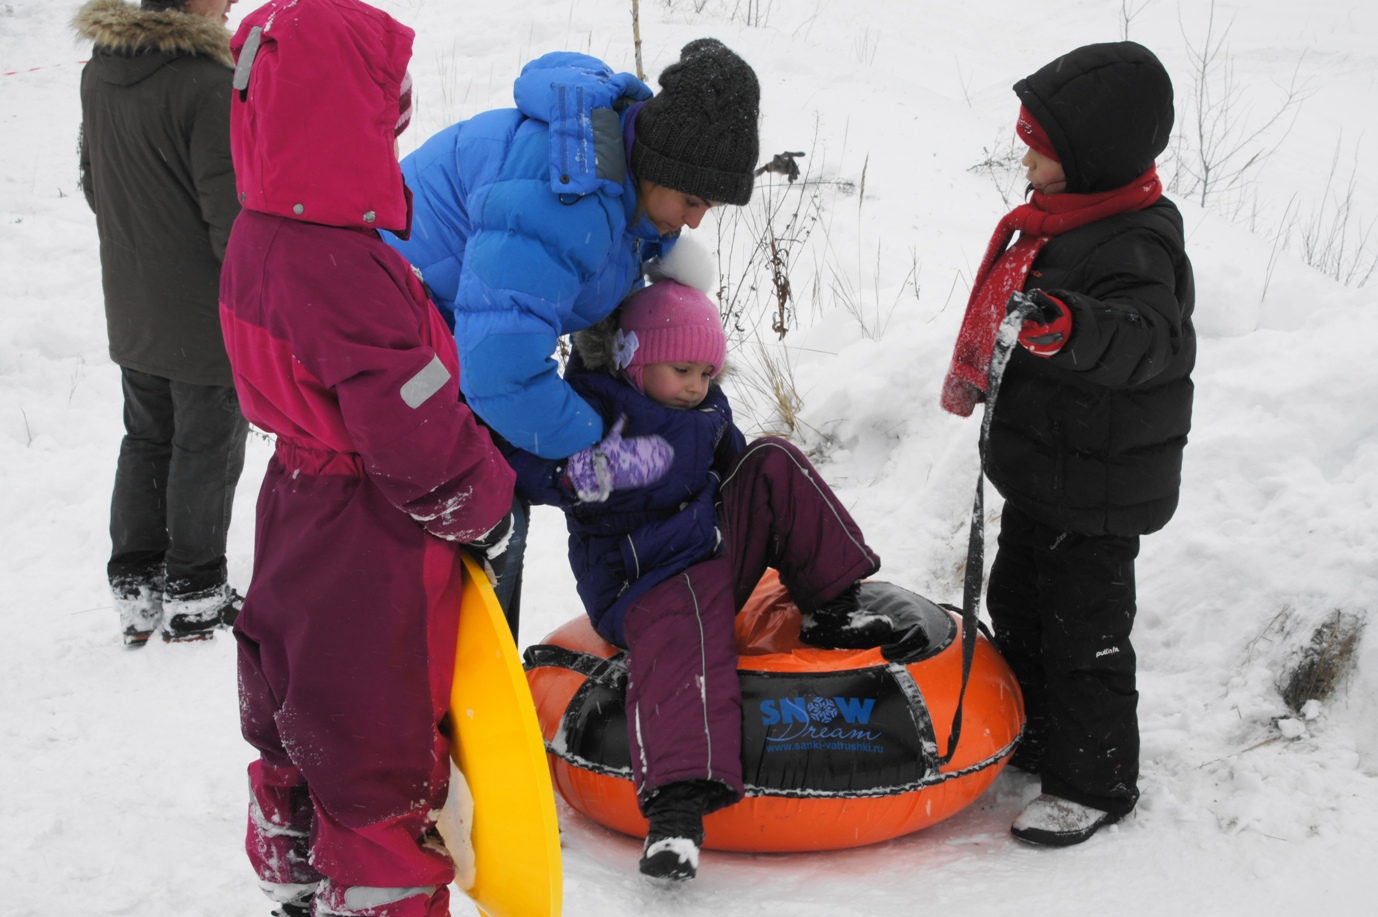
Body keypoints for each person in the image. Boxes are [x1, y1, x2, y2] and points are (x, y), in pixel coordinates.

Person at [218, 2, 517, 915]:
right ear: (337, 115)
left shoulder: (260, 232)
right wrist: (483, 505)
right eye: (384, 110)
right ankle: (383, 895)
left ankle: (296, 872)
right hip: (370, 534)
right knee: (376, 740)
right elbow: (410, 421)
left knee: (302, 699)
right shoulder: (341, 264)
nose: (394, 131)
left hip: (295, 501)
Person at [506, 253, 886, 881]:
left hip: (709, 553)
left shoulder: (707, 412)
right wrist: (580, 474)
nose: (695, 385)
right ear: (634, 360)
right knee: (684, 639)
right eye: (681, 370)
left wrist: (760, 502)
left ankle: (834, 602)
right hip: (642, 583)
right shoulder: (591, 411)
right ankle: (676, 812)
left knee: (771, 458)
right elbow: (521, 459)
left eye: (706, 372)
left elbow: (741, 476)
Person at [385, 38, 762, 636]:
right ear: (657, 166)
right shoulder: (567, 191)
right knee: (487, 514)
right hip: (389, 330)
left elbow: (591, 310)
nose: (695, 221)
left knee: (492, 509)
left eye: (708, 207)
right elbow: (500, 370)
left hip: (452, 328)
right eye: (692, 200)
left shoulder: (628, 192)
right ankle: (458, 679)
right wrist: (597, 446)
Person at [940, 41, 1195, 847]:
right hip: (1046, 470)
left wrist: (1074, 327)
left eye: (1039, 149)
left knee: (1085, 631)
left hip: (1099, 485)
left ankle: (1095, 781)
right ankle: (1038, 735)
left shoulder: (1137, 241)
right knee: (1017, 605)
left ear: (1093, 157)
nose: (1025, 161)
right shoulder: (1063, 221)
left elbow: (1150, 337)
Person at [76, 0, 249, 645]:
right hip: (204, 307)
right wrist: (256, 299)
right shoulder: (208, 82)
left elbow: (95, 185)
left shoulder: (101, 69)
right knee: (207, 443)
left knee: (146, 436)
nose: (230, 3)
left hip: (132, 295)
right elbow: (230, 217)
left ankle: (137, 582)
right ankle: (196, 592)